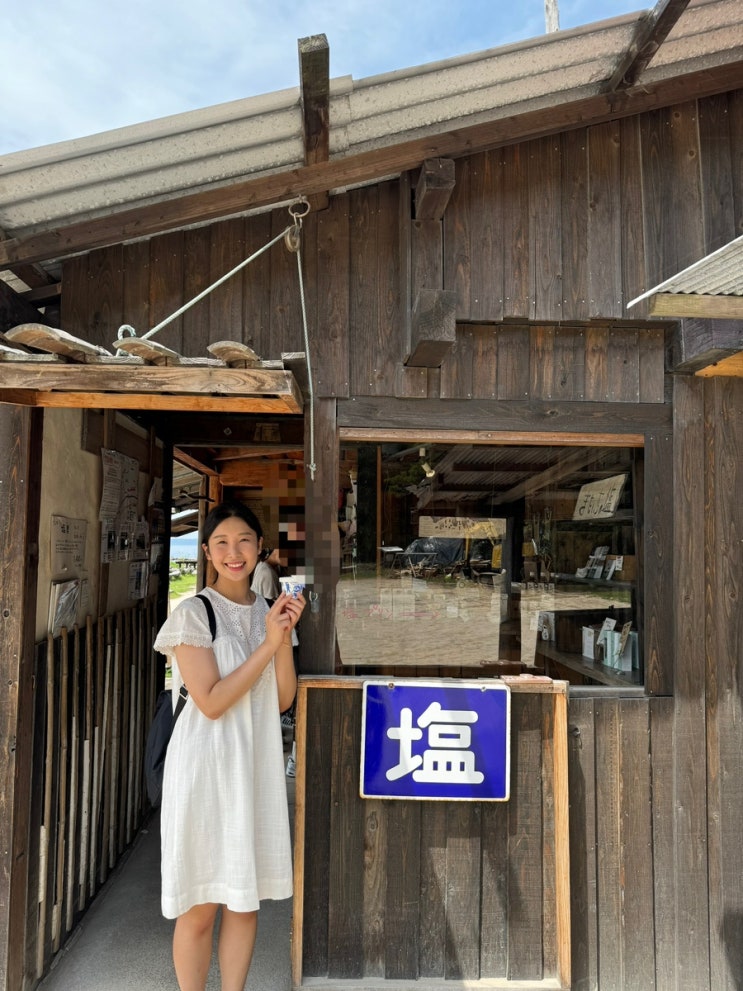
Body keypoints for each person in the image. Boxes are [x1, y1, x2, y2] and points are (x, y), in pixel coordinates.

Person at [153, 500, 305, 991]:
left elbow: (282, 699)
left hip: (254, 767)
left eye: (243, 541)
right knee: (200, 906)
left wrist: (282, 636)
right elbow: (212, 702)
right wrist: (268, 644)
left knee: (244, 901)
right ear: (207, 552)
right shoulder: (193, 614)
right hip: (205, 770)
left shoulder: (268, 612)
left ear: (260, 547)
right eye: (221, 542)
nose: (233, 552)